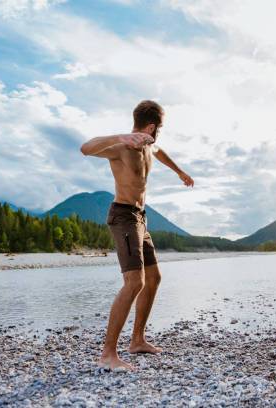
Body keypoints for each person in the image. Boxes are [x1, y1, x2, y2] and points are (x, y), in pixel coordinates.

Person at [80, 100, 194, 371]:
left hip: (141, 219)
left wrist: (180, 172)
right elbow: (85, 148)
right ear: (153, 125)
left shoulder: (148, 146)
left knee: (153, 278)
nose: (159, 134)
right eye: (160, 128)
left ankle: (137, 340)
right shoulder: (122, 146)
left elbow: (161, 153)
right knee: (134, 282)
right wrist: (120, 136)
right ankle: (108, 354)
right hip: (123, 216)